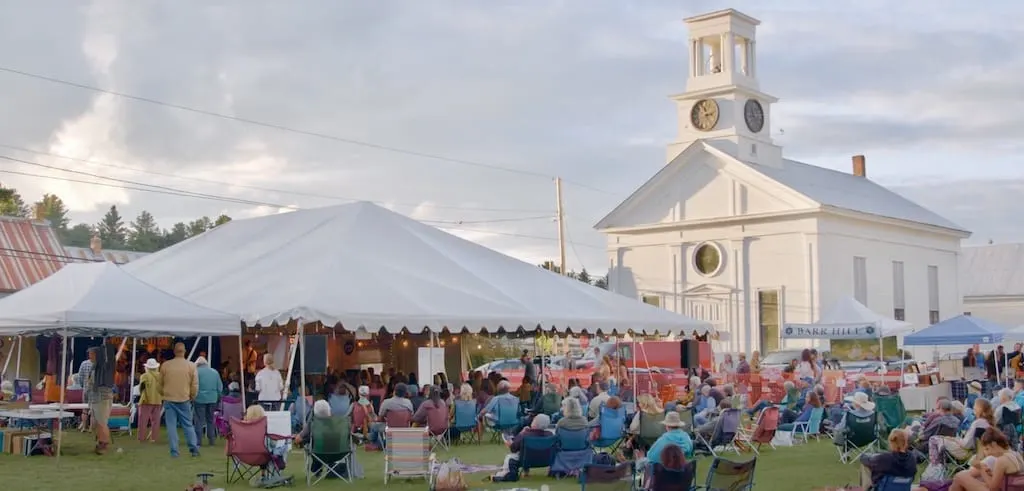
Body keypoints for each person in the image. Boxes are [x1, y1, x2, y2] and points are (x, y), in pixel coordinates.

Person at [947, 428, 1024, 491]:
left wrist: (981, 469)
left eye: (987, 449)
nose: (987, 454)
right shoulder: (1016, 454)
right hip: (1007, 487)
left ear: (994, 444)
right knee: (960, 479)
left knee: (960, 476)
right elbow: (1008, 479)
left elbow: (993, 488)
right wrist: (990, 473)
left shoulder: (1002, 460)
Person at [160, 342, 200, 458]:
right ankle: (193, 448)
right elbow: (195, 385)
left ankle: (174, 452)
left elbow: (159, 384)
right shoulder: (191, 366)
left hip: (169, 399)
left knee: (171, 426)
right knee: (188, 425)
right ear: (185, 351)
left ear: (174, 351)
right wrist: (192, 396)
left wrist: (163, 393)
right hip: (184, 398)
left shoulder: (166, 365)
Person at [928, 398, 994, 467]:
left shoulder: (978, 423)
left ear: (980, 409)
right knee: (941, 440)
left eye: (976, 406)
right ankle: (940, 466)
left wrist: (956, 439)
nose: (974, 407)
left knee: (933, 439)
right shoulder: (987, 423)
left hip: (964, 451)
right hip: (971, 452)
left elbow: (966, 444)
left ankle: (935, 467)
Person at [490, 414, 551, 481]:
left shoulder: (525, 434)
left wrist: (521, 433)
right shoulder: (550, 435)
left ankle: (507, 474)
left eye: (534, 420)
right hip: (545, 460)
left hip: (526, 459)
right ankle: (525, 471)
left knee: (511, 457)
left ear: (535, 423)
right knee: (525, 452)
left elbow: (513, 448)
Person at [87, 343, 118, 455]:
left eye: (91, 354)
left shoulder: (103, 368)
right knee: (98, 422)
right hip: (97, 397)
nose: (89, 356)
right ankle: (101, 442)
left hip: (102, 396)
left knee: (102, 422)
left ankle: (103, 444)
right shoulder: (95, 367)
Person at [193, 356, 223, 448]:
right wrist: (218, 397)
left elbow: (193, 386)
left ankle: (198, 442)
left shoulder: (195, 372)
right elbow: (219, 387)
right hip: (212, 398)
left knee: (199, 420)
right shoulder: (214, 372)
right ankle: (212, 441)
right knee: (210, 420)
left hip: (199, 398)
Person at [137, 358, 163, 443]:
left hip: (146, 400)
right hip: (158, 400)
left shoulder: (144, 376)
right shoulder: (160, 376)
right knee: (156, 421)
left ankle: (142, 438)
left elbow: (142, 388)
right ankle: (154, 438)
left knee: (143, 421)